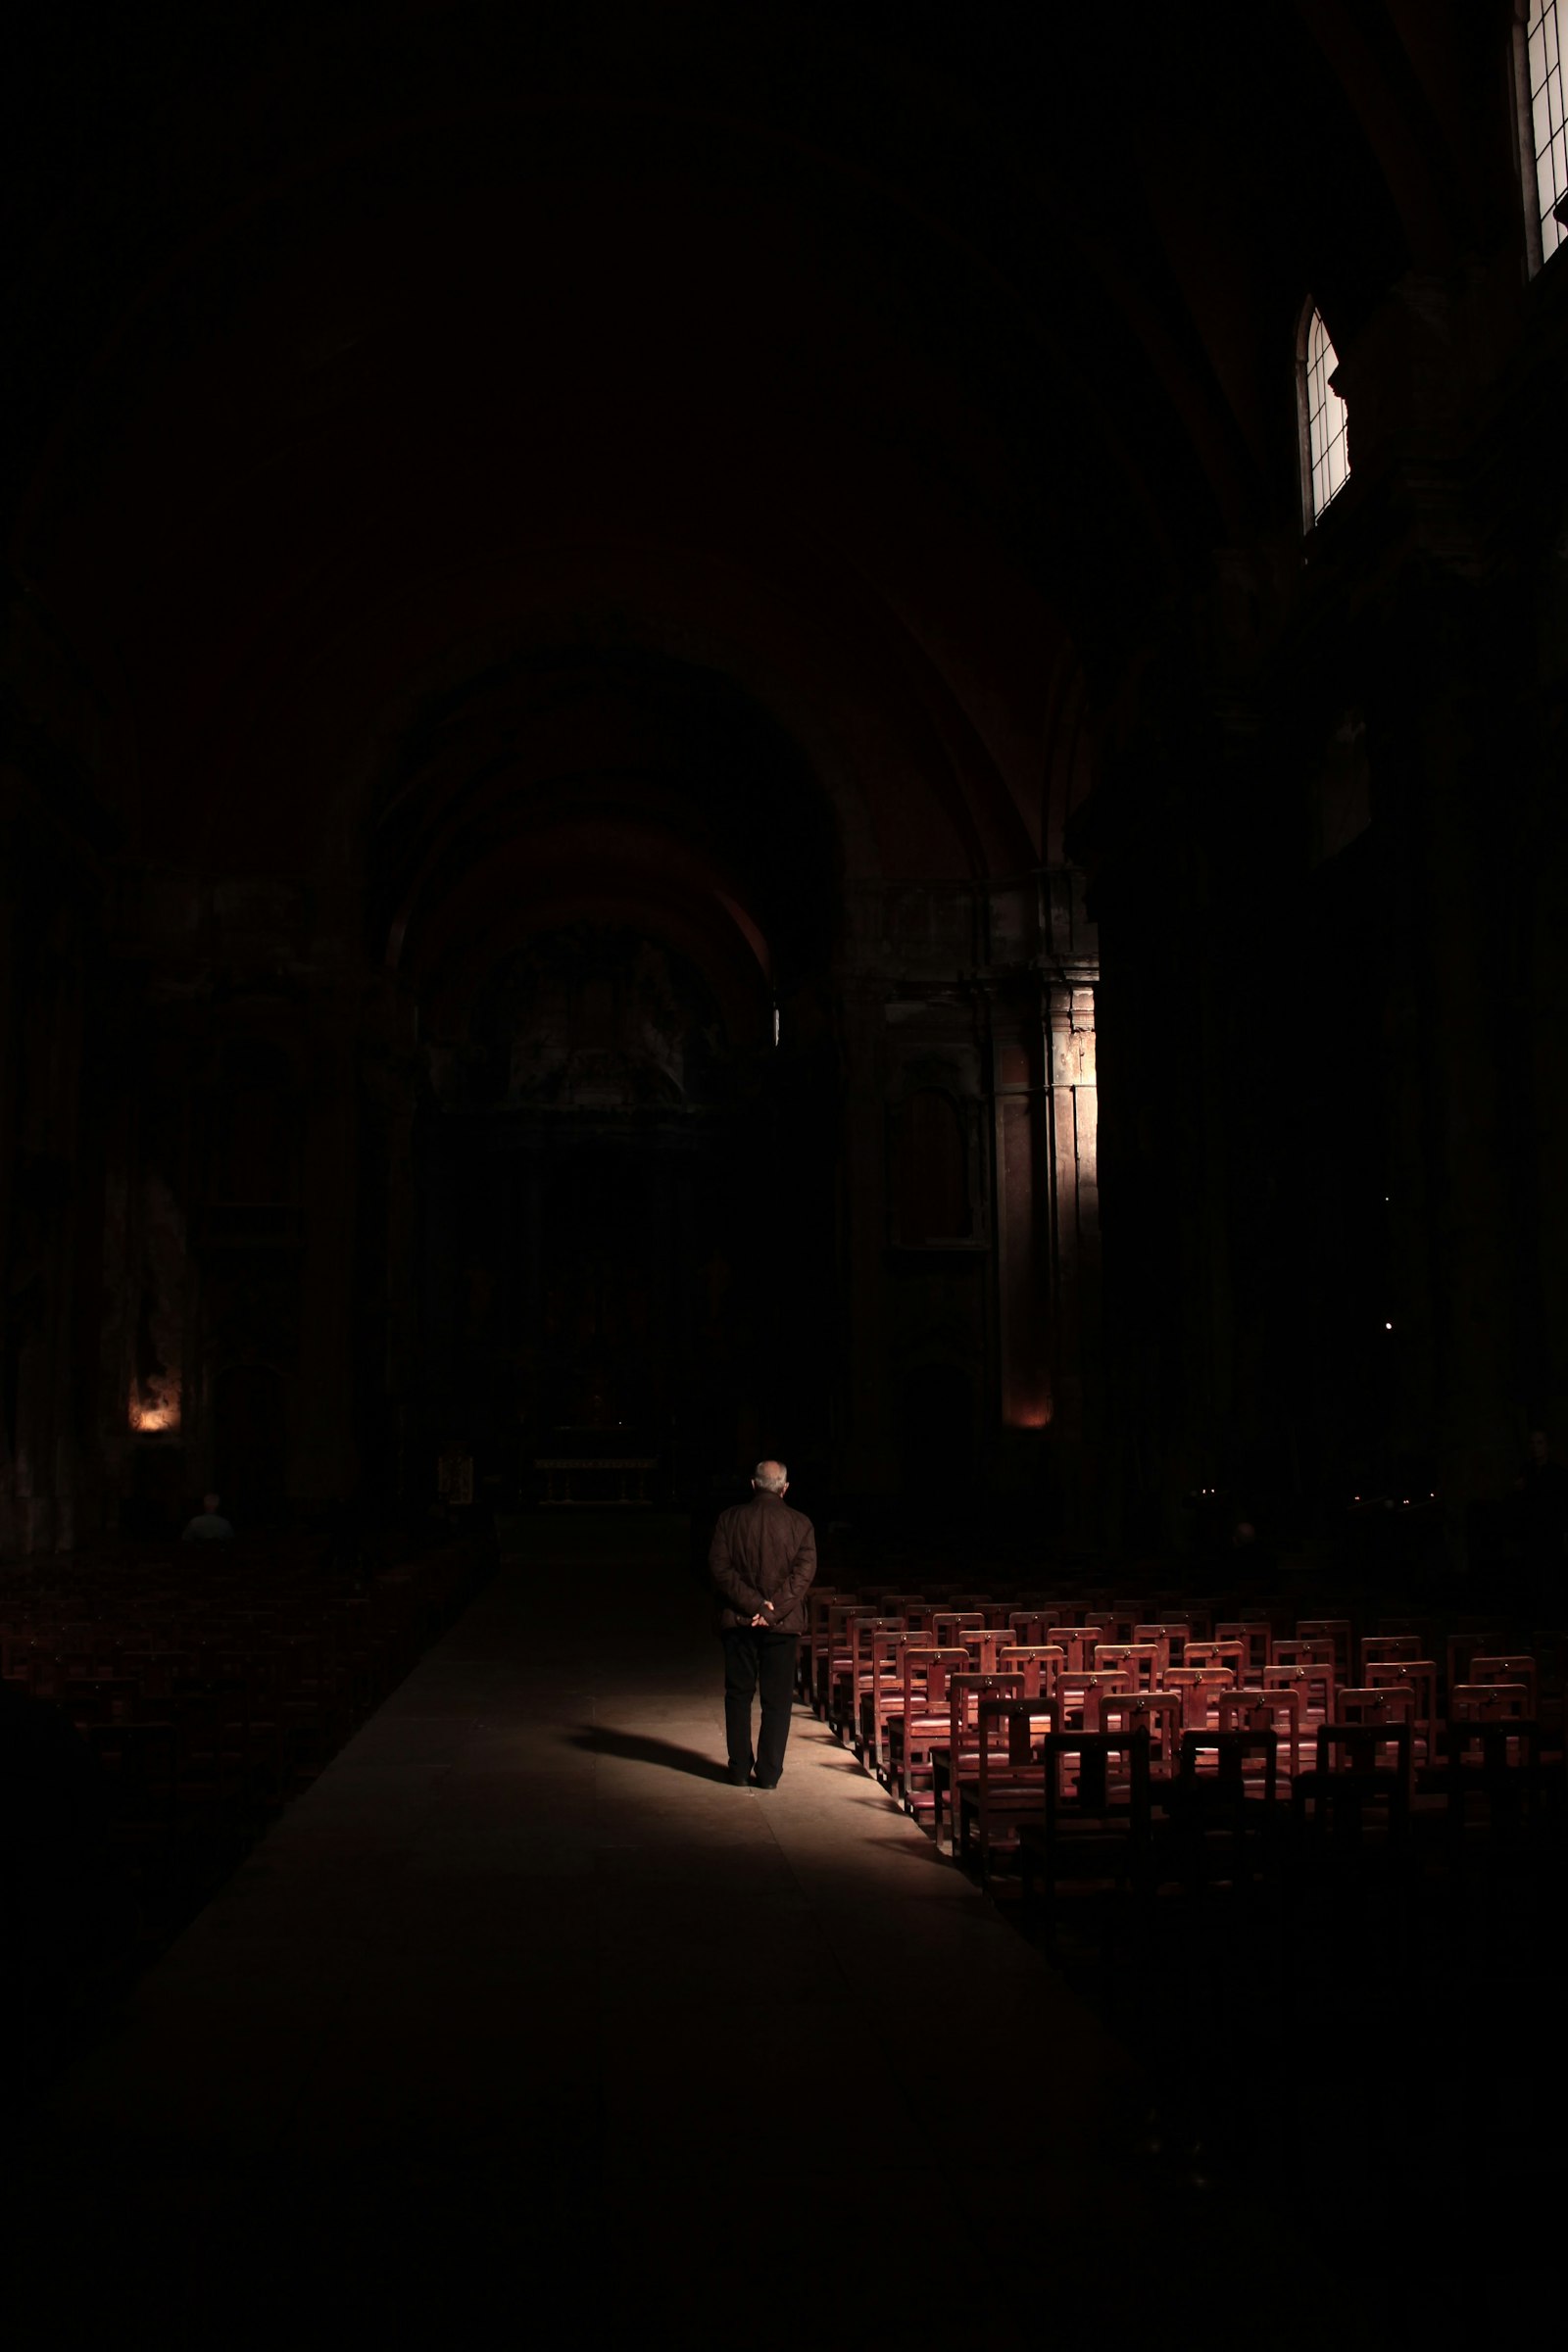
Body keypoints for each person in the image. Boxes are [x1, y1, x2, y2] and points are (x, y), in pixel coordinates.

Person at [708, 1458, 816, 1788]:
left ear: (753, 1485)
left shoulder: (729, 1519)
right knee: (777, 1700)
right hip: (781, 1626)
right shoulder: (801, 1523)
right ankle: (769, 1774)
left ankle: (739, 1769)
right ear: (785, 1488)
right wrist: (770, 1612)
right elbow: (803, 1576)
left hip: (739, 1621)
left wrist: (755, 1606)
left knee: (738, 1695)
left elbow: (720, 1570)